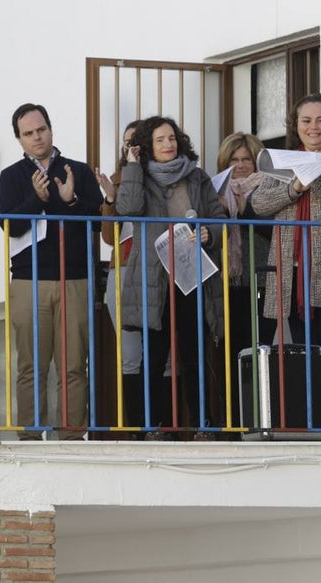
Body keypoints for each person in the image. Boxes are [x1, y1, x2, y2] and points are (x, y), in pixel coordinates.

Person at [250, 93, 321, 440]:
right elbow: (259, 203)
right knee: (309, 356)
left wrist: (316, 177)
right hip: (294, 273)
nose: (313, 127)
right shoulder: (283, 160)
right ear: (295, 126)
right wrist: (296, 185)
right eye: (306, 121)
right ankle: (316, 428)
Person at [0, 103, 103, 440]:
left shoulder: (78, 170)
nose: (36, 137)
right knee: (31, 366)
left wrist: (71, 201)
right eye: (28, 133)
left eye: (41, 129)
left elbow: (98, 220)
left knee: (73, 366)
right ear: (19, 139)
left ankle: (71, 436)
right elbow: (9, 226)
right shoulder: (11, 176)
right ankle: (30, 437)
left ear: (51, 129)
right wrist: (37, 199)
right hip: (29, 280)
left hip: (75, 277)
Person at [115, 116, 227, 437]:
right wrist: (133, 166)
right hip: (155, 281)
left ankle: (206, 424)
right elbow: (128, 209)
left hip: (192, 276)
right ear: (148, 146)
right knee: (154, 357)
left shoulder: (196, 177)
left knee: (195, 356)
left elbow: (218, 219)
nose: (168, 145)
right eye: (160, 140)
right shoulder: (139, 177)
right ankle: (153, 426)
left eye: (172, 138)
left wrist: (209, 234)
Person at [95, 120, 143, 429]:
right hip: (123, 268)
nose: (133, 148)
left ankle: (169, 427)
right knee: (130, 356)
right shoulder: (117, 179)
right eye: (127, 143)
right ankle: (140, 428)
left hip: (163, 269)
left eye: (138, 142)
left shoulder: (165, 178)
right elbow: (110, 238)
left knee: (167, 358)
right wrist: (112, 199)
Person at [214, 132, 271, 390]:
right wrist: (222, 213)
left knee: (259, 350)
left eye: (246, 158)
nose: (240, 165)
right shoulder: (215, 193)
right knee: (228, 351)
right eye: (233, 159)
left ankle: (259, 417)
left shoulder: (268, 186)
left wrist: (246, 208)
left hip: (260, 281)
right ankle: (234, 421)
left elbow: (272, 230)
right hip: (226, 283)